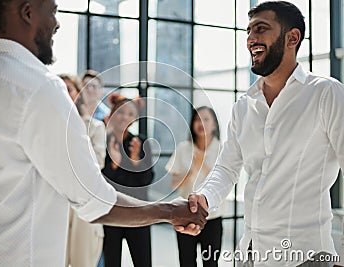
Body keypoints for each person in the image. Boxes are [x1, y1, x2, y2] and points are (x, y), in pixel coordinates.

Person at [0, 1, 208, 266]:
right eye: (53, 10)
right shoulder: (40, 88)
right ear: (28, 12)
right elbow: (94, 199)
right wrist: (171, 210)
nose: (56, 24)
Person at [180, 1, 344, 266]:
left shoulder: (327, 94)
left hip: (307, 256)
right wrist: (205, 197)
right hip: (250, 254)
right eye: (248, 31)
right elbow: (226, 168)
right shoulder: (244, 106)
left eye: (261, 29)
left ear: (292, 37)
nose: (250, 39)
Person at [166, 106, 223, 267]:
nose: (201, 123)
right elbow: (173, 184)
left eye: (206, 119)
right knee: (186, 262)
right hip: (185, 215)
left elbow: (224, 183)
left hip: (212, 217)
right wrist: (191, 170)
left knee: (211, 263)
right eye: (197, 119)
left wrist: (202, 164)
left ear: (214, 125)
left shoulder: (222, 149)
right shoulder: (183, 148)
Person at [101, 93, 154, 267]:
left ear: (135, 119)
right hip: (111, 213)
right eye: (121, 112)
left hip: (137, 214)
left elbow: (147, 180)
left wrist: (134, 160)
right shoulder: (102, 141)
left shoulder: (140, 143)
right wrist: (114, 166)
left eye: (130, 114)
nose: (125, 117)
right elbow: (100, 182)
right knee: (111, 262)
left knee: (143, 262)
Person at [59, 74, 106, 267]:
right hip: (56, 206)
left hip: (84, 206)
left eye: (69, 89)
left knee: (83, 262)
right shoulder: (48, 124)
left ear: (78, 94)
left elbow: (97, 163)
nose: (63, 92)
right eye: (59, 87)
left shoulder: (94, 126)